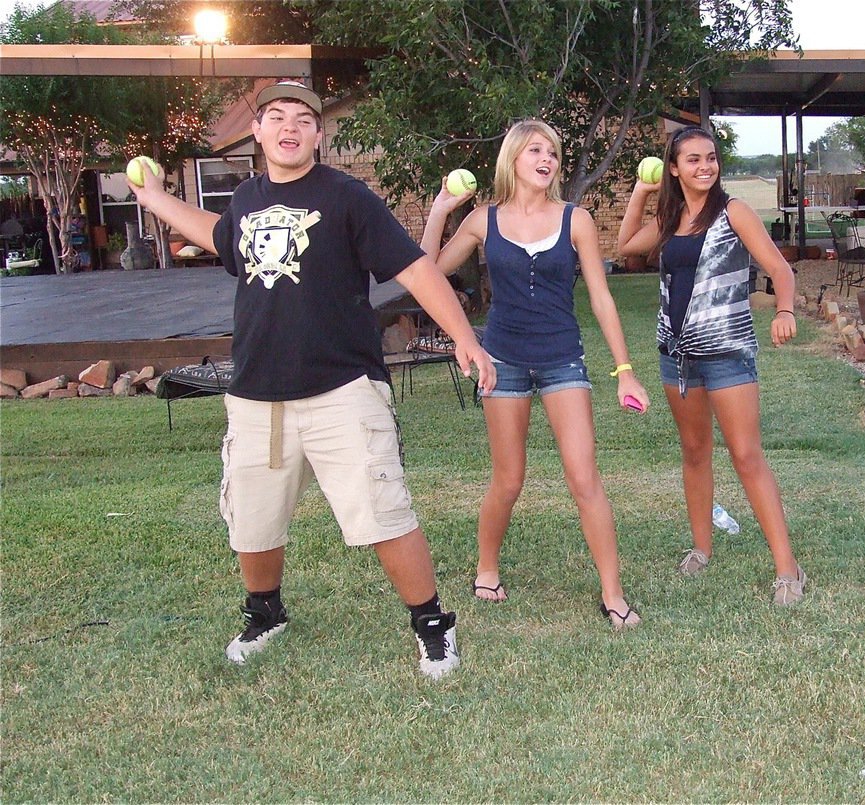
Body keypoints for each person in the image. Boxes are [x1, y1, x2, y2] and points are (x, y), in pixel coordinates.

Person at [126, 80, 495, 679]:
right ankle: (265, 613)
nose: (289, 127)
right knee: (253, 516)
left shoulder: (348, 197)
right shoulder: (245, 198)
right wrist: (155, 197)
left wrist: (464, 337)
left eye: (303, 118)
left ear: (319, 135)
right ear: (259, 132)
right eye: (276, 117)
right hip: (255, 392)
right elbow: (214, 233)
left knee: (382, 511)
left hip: (343, 389)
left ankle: (433, 625)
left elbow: (414, 267)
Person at [420, 120, 648, 628]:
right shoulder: (482, 220)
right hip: (502, 361)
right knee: (508, 478)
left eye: (552, 152)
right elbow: (427, 271)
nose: (546, 159)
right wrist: (439, 210)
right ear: (513, 159)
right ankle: (486, 568)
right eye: (534, 151)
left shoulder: (576, 220)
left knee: (584, 477)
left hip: (562, 357)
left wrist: (625, 371)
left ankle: (613, 594)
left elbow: (601, 297)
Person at [616, 125, 807, 607]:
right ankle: (702, 547)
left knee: (746, 455)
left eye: (712, 158)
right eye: (693, 160)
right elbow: (625, 245)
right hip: (677, 355)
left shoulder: (733, 212)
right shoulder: (672, 215)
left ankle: (787, 567)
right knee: (695, 451)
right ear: (674, 168)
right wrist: (642, 189)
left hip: (726, 352)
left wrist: (784, 310)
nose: (705, 167)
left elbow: (780, 269)